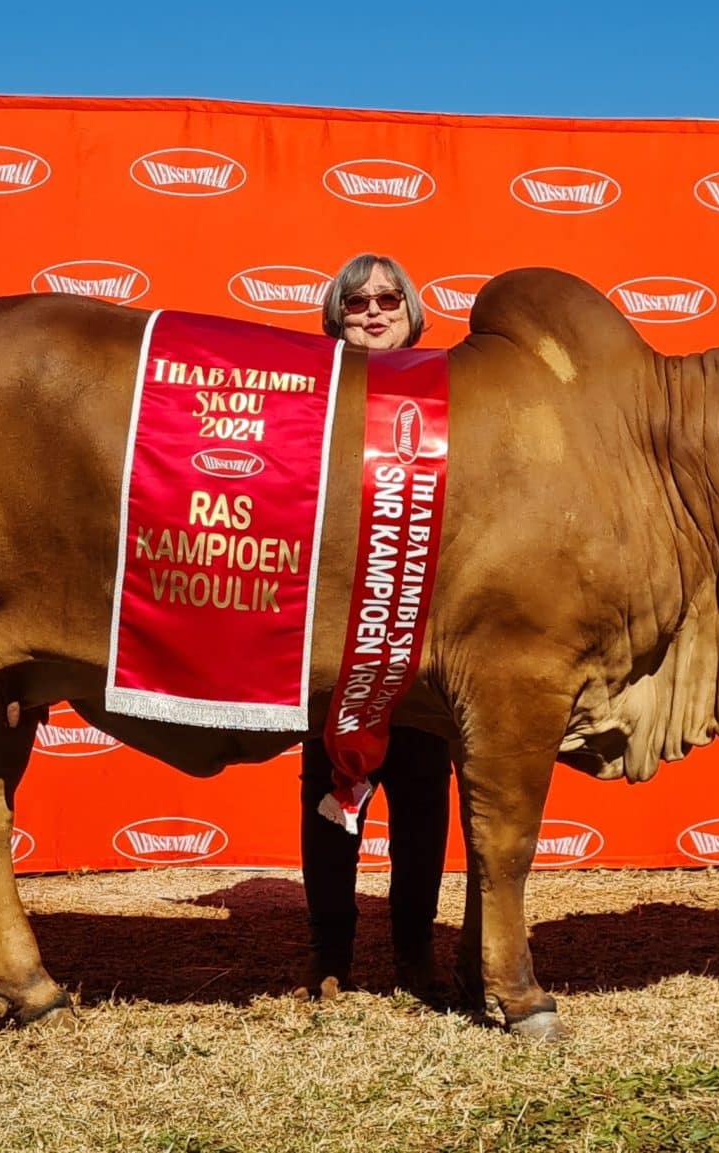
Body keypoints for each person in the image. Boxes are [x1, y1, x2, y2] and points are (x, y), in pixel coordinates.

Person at [295, 252, 457, 1000]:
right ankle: (330, 955)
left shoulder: (452, 392)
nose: (373, 309)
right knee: (330, 798)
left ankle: (413, 954)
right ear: (336, 313)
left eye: (389, 297)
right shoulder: (309, 396)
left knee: (423, 805)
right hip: (334, 634)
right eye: (356, 300)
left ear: (411, 309)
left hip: (422, 634)